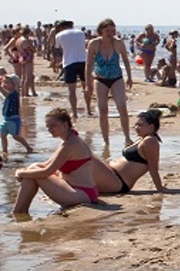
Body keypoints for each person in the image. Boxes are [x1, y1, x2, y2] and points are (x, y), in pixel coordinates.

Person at [12, 108, 99, 215]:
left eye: (53, 126)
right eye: (48, 126)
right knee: (33, 167)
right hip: (81, 190)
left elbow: (46, 172)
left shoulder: (70, 145)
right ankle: (20, 212)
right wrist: (26, 170)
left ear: (65, 124)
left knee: (32, 173)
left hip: (81, 194)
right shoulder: (68, 140)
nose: (49, 129)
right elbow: (45, 164)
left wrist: (20, 173)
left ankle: (18, 212)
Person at [85, 18, 135, 148]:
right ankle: (106, 140)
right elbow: (89, 63)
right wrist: (87, 83)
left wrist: (130, 77)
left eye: (112, 30)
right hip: (100, 79)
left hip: (117, 78)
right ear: (101, 30)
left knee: (122, 107)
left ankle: (127, 137)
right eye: (107, 30)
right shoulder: (94, 43)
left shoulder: (118, 43)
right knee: (103, 110)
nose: (110, 33)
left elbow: (125, 60)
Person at [92, 109, 167, 194]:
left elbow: (153, 168)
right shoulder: (142, 139)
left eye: (140, 125)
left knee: (89, 157)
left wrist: (160, 190)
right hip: (112, 175)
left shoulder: (150, 141)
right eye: (135, 125)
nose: (136, 128)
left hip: (118, 181)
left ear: (151, 127)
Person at [55, 21, 90, 119]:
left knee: (72, 90)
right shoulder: (80, 33)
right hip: (83, 60)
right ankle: (88, 109)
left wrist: (57, 62)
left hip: (69, 62)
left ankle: (74, 113)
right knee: (85, 87)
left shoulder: (59, 35)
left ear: (62, 27)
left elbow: (58, 50)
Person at [1, 75, 35, 158]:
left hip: (14, 120)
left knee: (16, 136)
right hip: (6, 119)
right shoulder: (9, 94)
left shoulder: (14, 94)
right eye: (4, 82)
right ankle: (5, 151)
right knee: (2, 135)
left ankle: (28, 147)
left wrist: (0, 88)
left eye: (7, 83)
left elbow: (6, 95)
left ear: (14, 84)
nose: (5, 84)